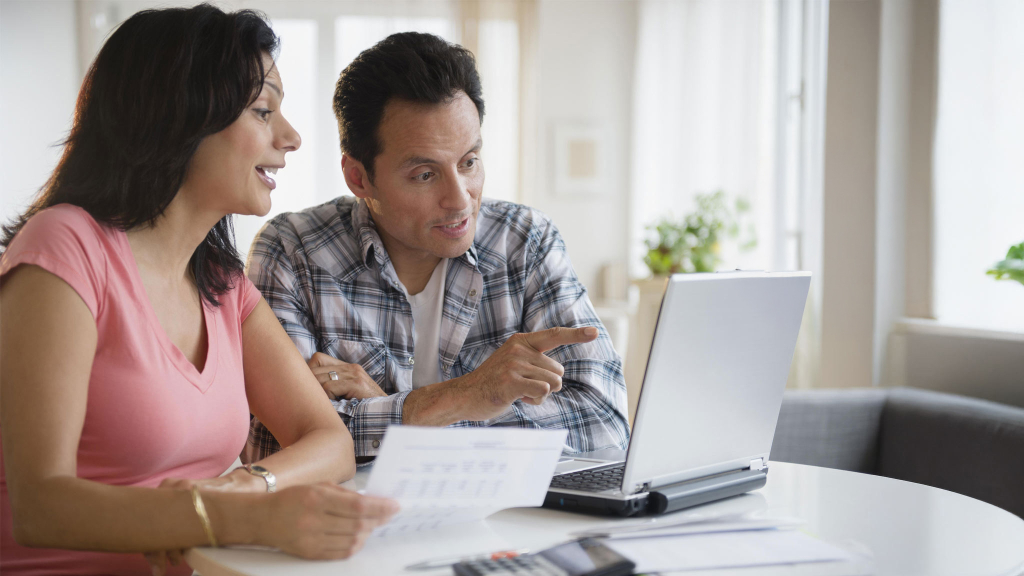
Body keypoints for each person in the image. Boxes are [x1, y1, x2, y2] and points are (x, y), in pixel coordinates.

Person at [0, 6, 396, 575]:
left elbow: (327, 441)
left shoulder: (222, 284)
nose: (290, 137)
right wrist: (242, 518)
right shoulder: (65, 247)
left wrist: (249, 485)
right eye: (263, 111)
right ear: (182, 117)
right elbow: (41, 505)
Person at [246, 32, 630, 460]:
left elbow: (605, 424)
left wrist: (413, 410)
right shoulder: (293, 252)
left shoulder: (525, 241)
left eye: (469, 162)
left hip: (511, 524)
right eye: (425, 175)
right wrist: (460, 400)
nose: (461, 198)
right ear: (359, 177)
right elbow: (273, 447)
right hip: (360, 522)